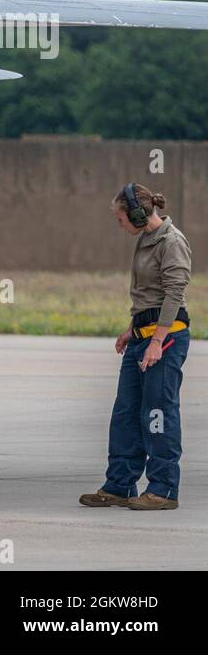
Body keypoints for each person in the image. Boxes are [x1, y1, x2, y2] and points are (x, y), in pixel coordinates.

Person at [81, 184, 192, 510]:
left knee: (157, 412)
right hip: (143, 335)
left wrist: (157, 342)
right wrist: (133, 329)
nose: (120, 225)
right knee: (126, 412)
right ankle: (119, 485)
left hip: (166, 338)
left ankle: (163, 490)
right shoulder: (145, 239)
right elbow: (149, 294)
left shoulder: (172, 242)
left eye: (120, 219)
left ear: (138, 214)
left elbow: (173, 295)